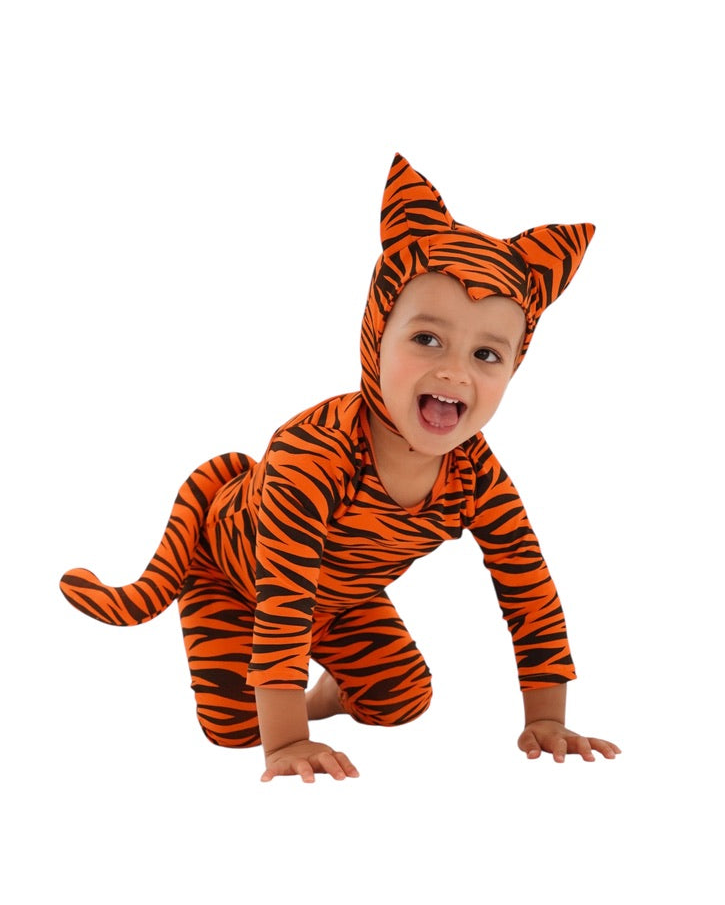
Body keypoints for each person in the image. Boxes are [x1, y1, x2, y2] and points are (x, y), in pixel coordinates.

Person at [60, 153, 621, 782]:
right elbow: (285, 595)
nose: (455, 371)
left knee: (402, 703)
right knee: (236, 730)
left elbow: (528, 588)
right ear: (377, 332)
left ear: (514, 368)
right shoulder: (317, 453)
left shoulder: (475, 475)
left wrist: (546, 719)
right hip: (238, 577)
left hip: (340, 599)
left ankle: (324, 695)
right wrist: (284, 743)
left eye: (487, 353)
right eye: (427, 339)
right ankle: (266, 686)